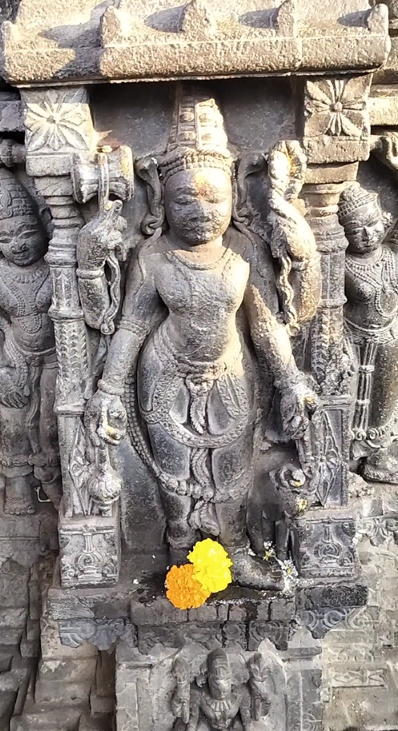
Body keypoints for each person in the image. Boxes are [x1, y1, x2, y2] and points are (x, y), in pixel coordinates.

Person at [82, 87, 317, 588]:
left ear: (235, 197)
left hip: (231, 375)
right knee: (175, 476)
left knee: (231, 471)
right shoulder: (153, 258)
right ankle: (180, 558)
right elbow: (132, 325)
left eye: (215, 197)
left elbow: (265, 324)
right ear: (163, 201)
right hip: (163, 378)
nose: (202, 209)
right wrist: (107, 390)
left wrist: (292, 380)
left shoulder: (243, 250)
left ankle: (232, 555)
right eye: (186, 197)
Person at [0, 168, 60, 514]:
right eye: (6, 238)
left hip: (54, 357)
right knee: (11, 422)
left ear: (42, 225)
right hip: (13, 356)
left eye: (25, 233)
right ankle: (18, 483)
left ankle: (55, 481)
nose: (18, 245)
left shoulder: (57, 264)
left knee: (51, 423)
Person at [338, 183, 398, 484]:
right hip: (355, 342)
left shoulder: (391, 256)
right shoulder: (343, 264)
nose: (368, 234)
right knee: (352, 401)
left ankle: (378, 455)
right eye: (356, 230)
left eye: (372, 223)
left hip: (390, 339)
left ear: (384, 218)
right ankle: (345, 458)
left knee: (385, 401)